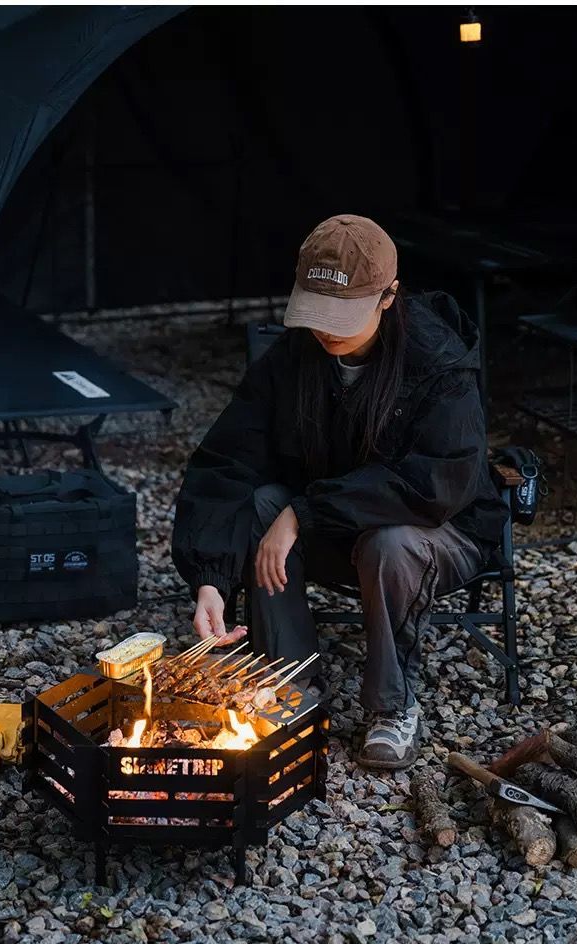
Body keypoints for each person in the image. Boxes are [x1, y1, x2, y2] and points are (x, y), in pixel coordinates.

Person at [171, 215, 509, 770]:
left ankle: (392, 707)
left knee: (389, 542)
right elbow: (227, 461)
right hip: (334, 529)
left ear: (388, 297)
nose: (327, 330)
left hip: (433, 535)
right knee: (261, 506)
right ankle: (291, 690)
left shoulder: (438, 362)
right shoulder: (292, 358)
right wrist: (211, 576)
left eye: (342, 315)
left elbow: (433, 484)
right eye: (317, 312)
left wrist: (303, 512)